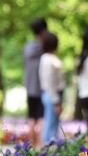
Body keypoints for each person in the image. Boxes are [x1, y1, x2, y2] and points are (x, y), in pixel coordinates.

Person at [23, 17, 47, 148]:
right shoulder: (45, 47)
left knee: (32, 118)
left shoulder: (27, 47)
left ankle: (31, 148)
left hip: (30, 87)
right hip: (42, 88)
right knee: (42, 119)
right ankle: (40, 147)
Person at [39, 32, 65, 145]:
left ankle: (50, 151)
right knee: (51, 126)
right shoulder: (49, 60)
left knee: (52, 124)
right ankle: (48, 152)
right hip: (52, 95)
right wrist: (56, 102)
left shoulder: (46, 58)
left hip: (50, 94)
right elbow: (50, 83)